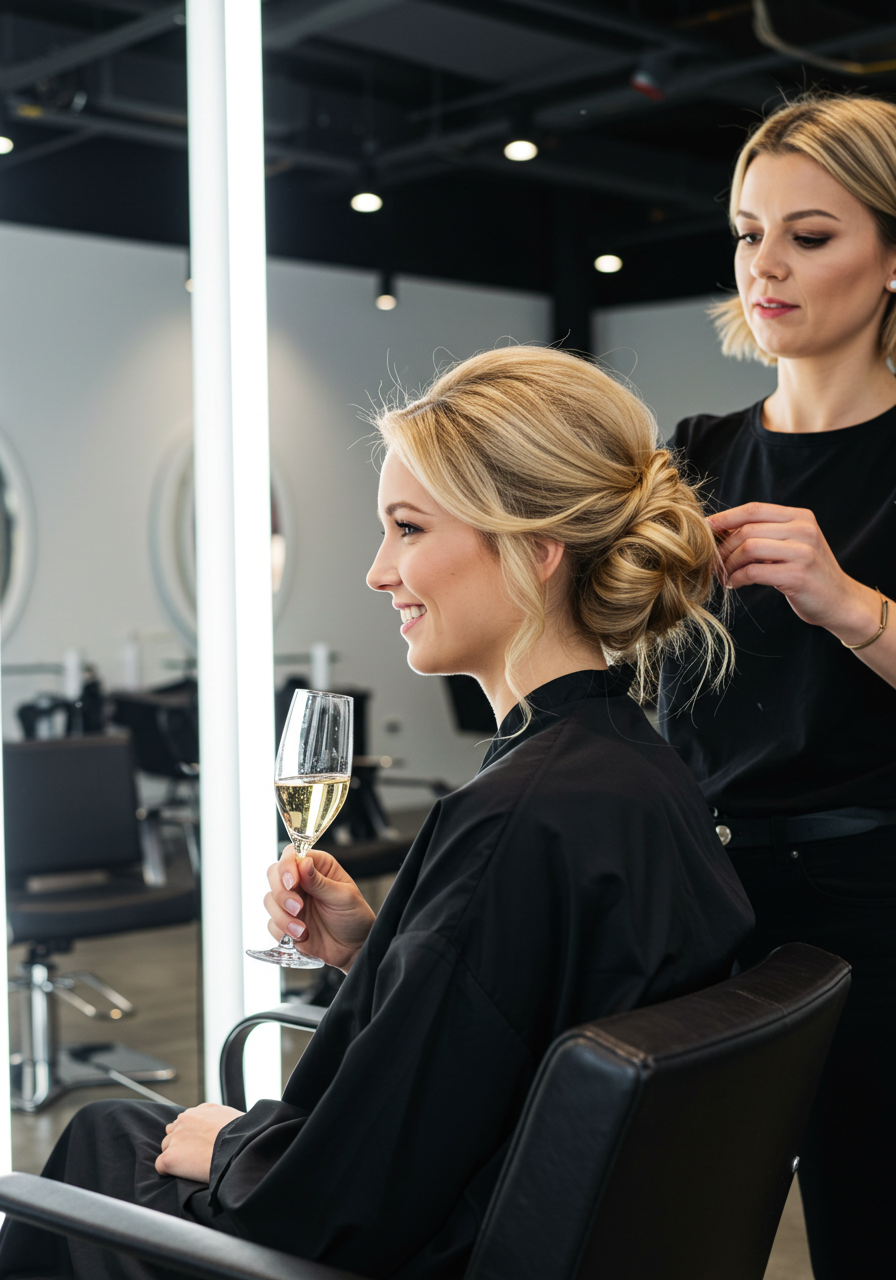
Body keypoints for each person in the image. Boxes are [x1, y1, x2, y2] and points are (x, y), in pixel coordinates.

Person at [0, 347, 753, 1280]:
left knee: (99, 1149)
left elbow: (342, 1210)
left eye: (406, 528)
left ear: (536, 547)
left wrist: (238, 1148)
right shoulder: (638, 773)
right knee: (123, 1128)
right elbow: (520, 1022)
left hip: (408, 1254)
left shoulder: (513, 819)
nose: (376, 571)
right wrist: (385, 949)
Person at [659, 92, 896, 1280]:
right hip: (696, 895)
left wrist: (847, 601)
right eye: (749, 232)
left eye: (809, 235)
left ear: (891, 254)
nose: (766, 264)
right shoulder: (689, 455)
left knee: (871, 1225)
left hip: (874, 908)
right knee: (661, 1225)